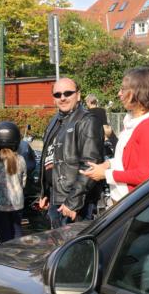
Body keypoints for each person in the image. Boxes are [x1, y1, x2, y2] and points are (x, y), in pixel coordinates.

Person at [81, 67, 149, 204]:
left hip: (132, 203)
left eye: (123, 89)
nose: (119, 93)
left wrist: (105, 174)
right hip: (121, 199)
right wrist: (107, 164)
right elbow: (126, 161)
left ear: (138, 92)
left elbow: (143, 175)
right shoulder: (132, 121)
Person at [38, 77, 103, 228]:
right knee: (57, 242)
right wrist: (45, 192)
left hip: (75, 203)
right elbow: (49, 157)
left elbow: (90, 164)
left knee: (74, 243)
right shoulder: (55, 120)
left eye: (68, 93)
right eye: (57, 94)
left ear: (78, 95)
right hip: (56, 198)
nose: (62, 98)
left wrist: (73, 202)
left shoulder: (87, 120)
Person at [0, 121, 27, 242]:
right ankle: (18, 250)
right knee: (17, 231)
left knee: (4, 235)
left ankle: (6, 253)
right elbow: (23, 181)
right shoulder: (21, 159)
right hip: (17, 204)